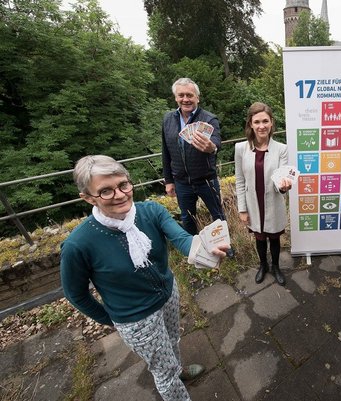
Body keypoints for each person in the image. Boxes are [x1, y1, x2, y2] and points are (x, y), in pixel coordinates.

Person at [60, 155, 228, 401]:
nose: (119, 194)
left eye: (123, 185)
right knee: (163, 371)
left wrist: (202, 249)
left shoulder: (151, 211)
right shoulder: (78, 244)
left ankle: (180, 371)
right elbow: (76, 294)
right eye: (105, 191)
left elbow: (181, 239)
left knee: (173, 339)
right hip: (136, 319)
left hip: (168, 295)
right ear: (87, 197)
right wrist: (115, 320)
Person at [161, 78, 230, 248]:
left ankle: (225, 247)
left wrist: (211, 147)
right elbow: (166, 151)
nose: (186, 99)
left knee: (218, 216)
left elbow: (216, 142)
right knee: (187, 218)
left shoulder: (208, 118)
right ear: (176, 98)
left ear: (197, 98)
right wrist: (169, 180)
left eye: (190, 95)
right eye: (181, 95)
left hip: (206, 180)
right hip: (181, 181)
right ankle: (193, 250)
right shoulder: (168, 119)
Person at [234, 102, 292, 286]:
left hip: (273, 203)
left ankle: (275, 266)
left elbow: (280, 181)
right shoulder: (240, 149)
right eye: (257, 121)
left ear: (271, 122)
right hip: (253, 203)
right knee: (259, 238)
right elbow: (240, 180)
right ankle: (263, 265)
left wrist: (284, 187)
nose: (261, 126)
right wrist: (242, 209)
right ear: (250, 124)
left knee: (274, 237)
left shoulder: (281, 149)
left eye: (265, 121)